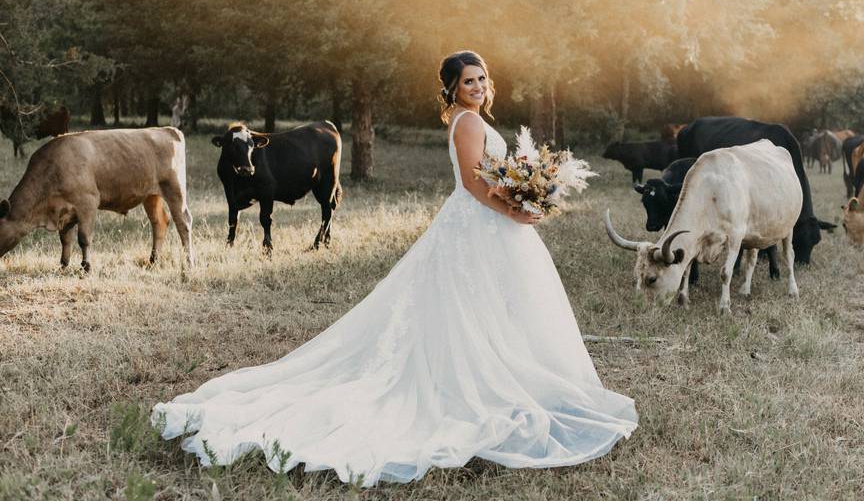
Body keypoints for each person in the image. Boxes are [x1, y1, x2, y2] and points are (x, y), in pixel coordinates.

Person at [152, 50, 637, 487]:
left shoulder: (475, 120)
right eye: (468, 81)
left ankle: (513, 376)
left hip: (492, 226)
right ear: (451, 90)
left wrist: (524, 194)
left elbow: (494, 178)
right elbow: (472, 185)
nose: (478, 86)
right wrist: (516, 209)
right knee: (474, 307)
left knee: (495, 308)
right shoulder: (467, 124)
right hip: (478, 225)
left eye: (483, 78)